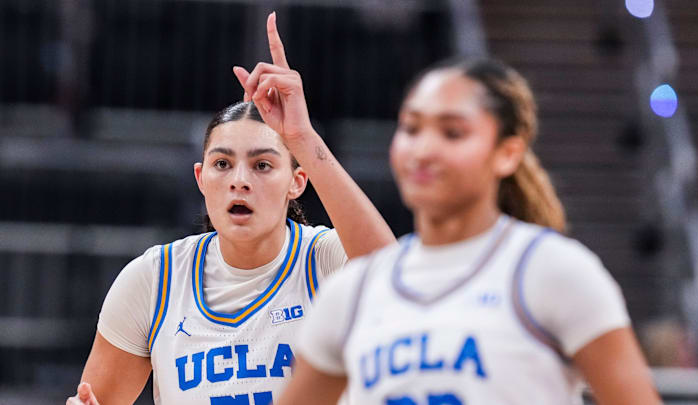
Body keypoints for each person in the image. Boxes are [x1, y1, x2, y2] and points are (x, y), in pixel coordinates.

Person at [275, 59, 662, 405]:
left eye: (452, 133)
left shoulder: (553, 271)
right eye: (411, 128)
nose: (423, 149)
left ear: (508, 153)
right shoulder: (353, 292)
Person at [66, 12, 394, 405]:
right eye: (222, 164)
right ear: (201, 179)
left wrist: (303, 136)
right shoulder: (153, 281)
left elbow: (391, 277)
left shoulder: (323, 261)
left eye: (262, 165)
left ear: (297, 181)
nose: (240, 179)